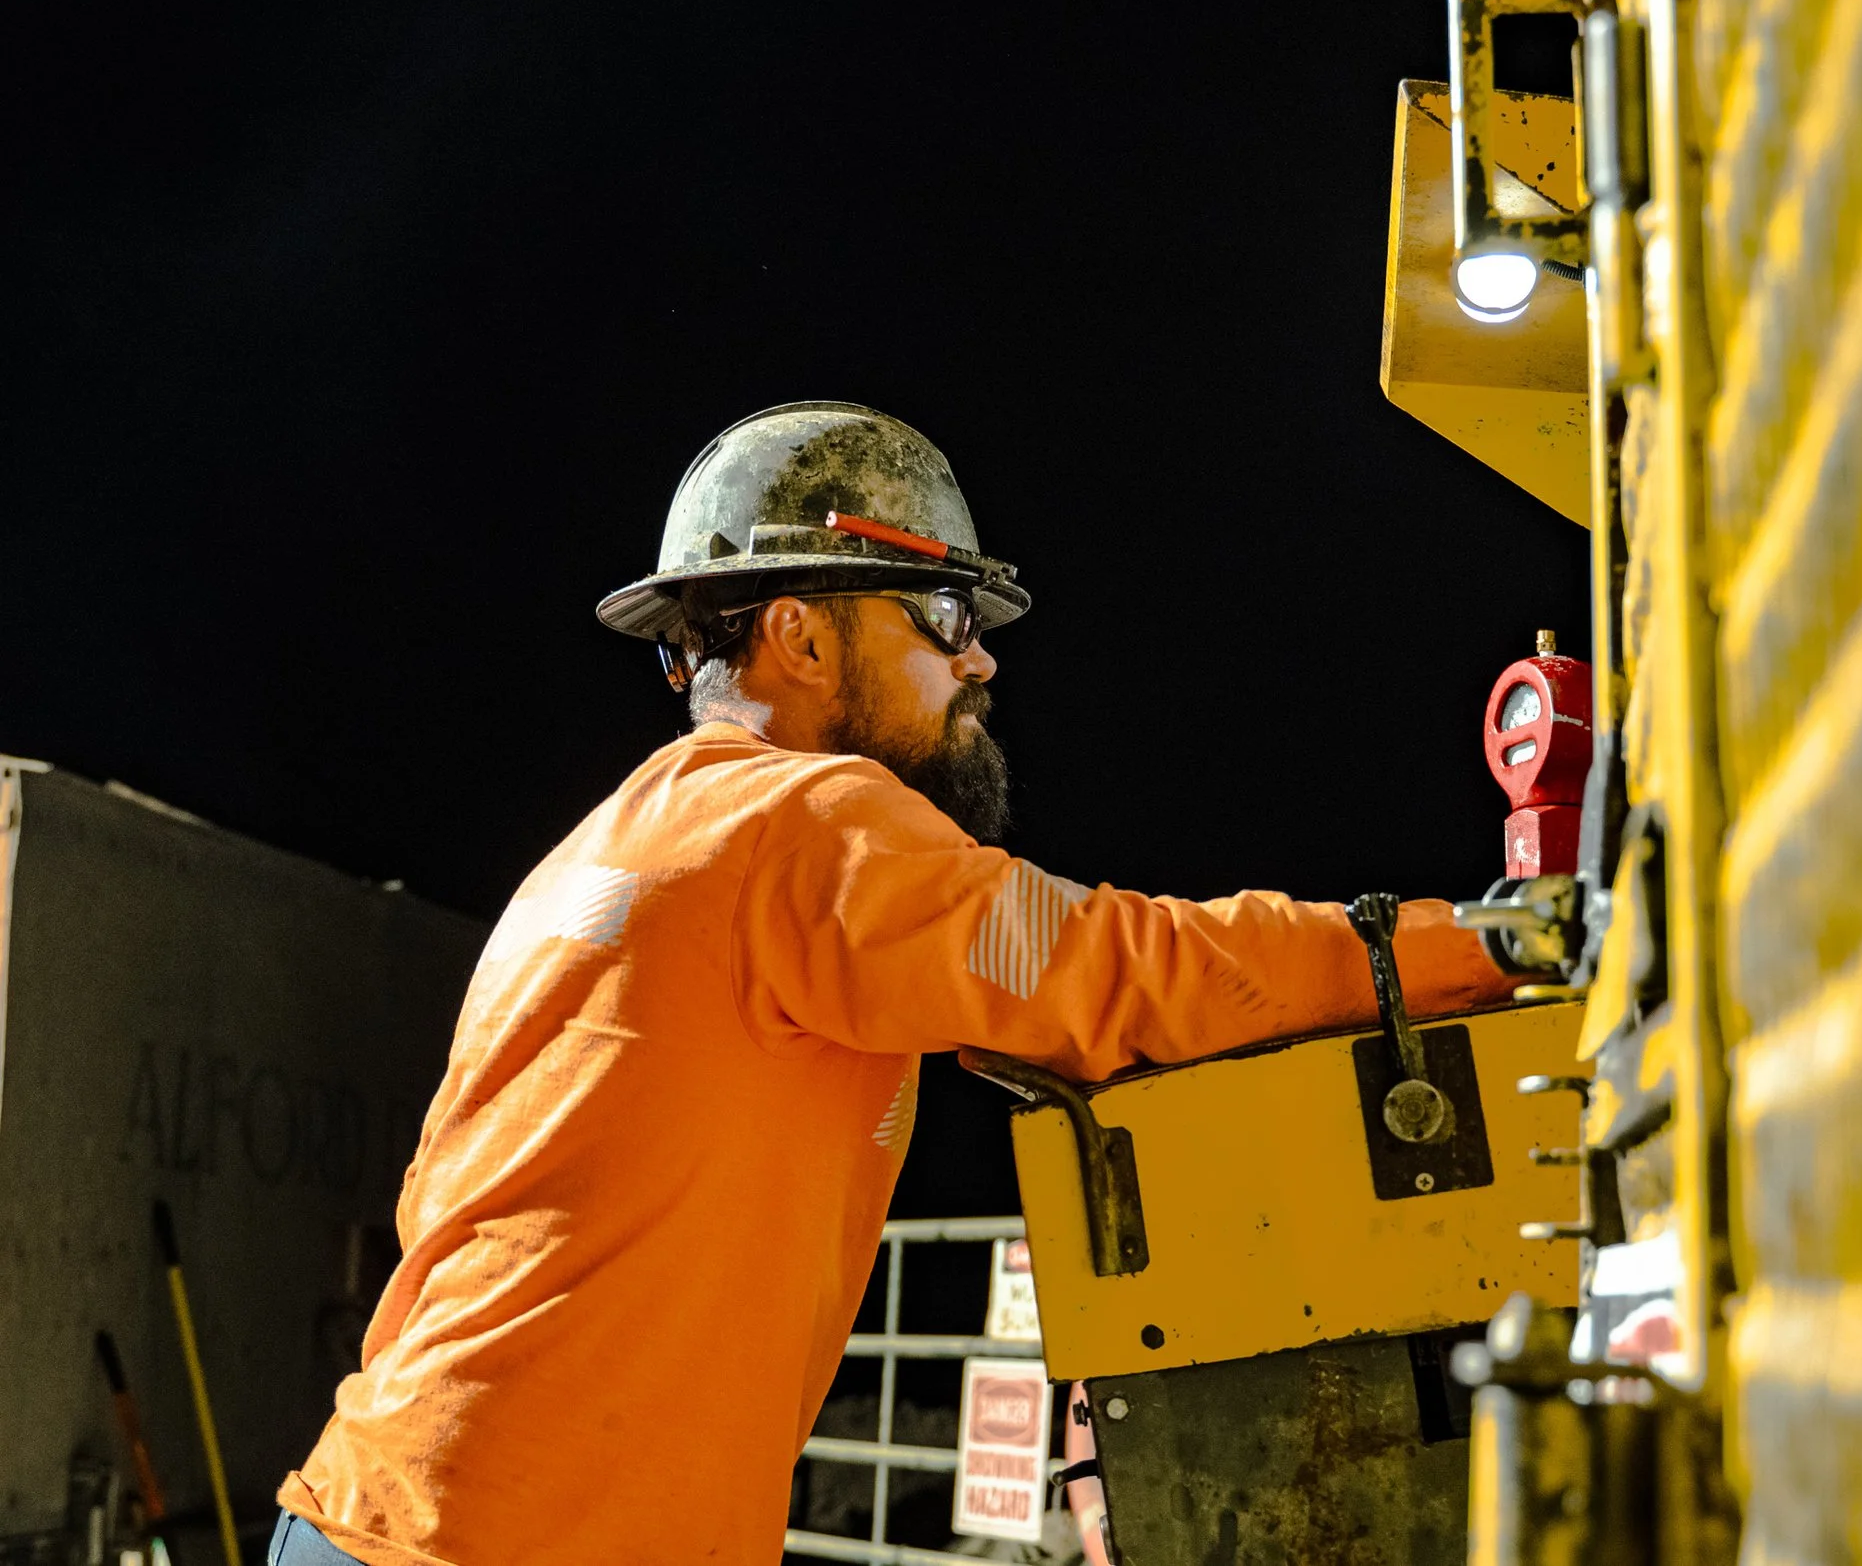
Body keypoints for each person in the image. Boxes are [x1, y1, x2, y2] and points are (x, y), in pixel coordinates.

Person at [268, 402, 1514, 1565]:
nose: (977, 665)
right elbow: (1119, 970)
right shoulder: (802, 822)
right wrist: (1485, 948)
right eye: (942, 615)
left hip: (388, 1510)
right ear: (801, 633)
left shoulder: (612, 847)